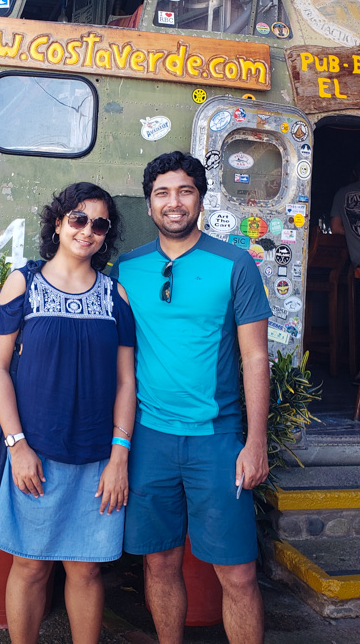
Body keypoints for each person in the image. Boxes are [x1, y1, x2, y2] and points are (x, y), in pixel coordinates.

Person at [112, 151, 272, 644]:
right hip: (150, 440)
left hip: (217, 440)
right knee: (158, 564)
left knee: (239, 575)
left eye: (184, 191)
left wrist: (256, 440)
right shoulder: (127, 268)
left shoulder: (235, 264)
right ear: (149, 204)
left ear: (200, 198)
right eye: (162, 192)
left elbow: (255, 358)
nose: (174, 202)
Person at [0, 182, 137, 644]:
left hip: (96, 457)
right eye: (77, 218)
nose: (87, 230)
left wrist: (119, 457)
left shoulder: (116, 296)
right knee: (30, 566)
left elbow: (126, 381)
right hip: (36, 453)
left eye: (99, 224)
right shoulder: (23, 283)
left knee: (87, 569)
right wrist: (17, 447)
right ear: (58, 222)